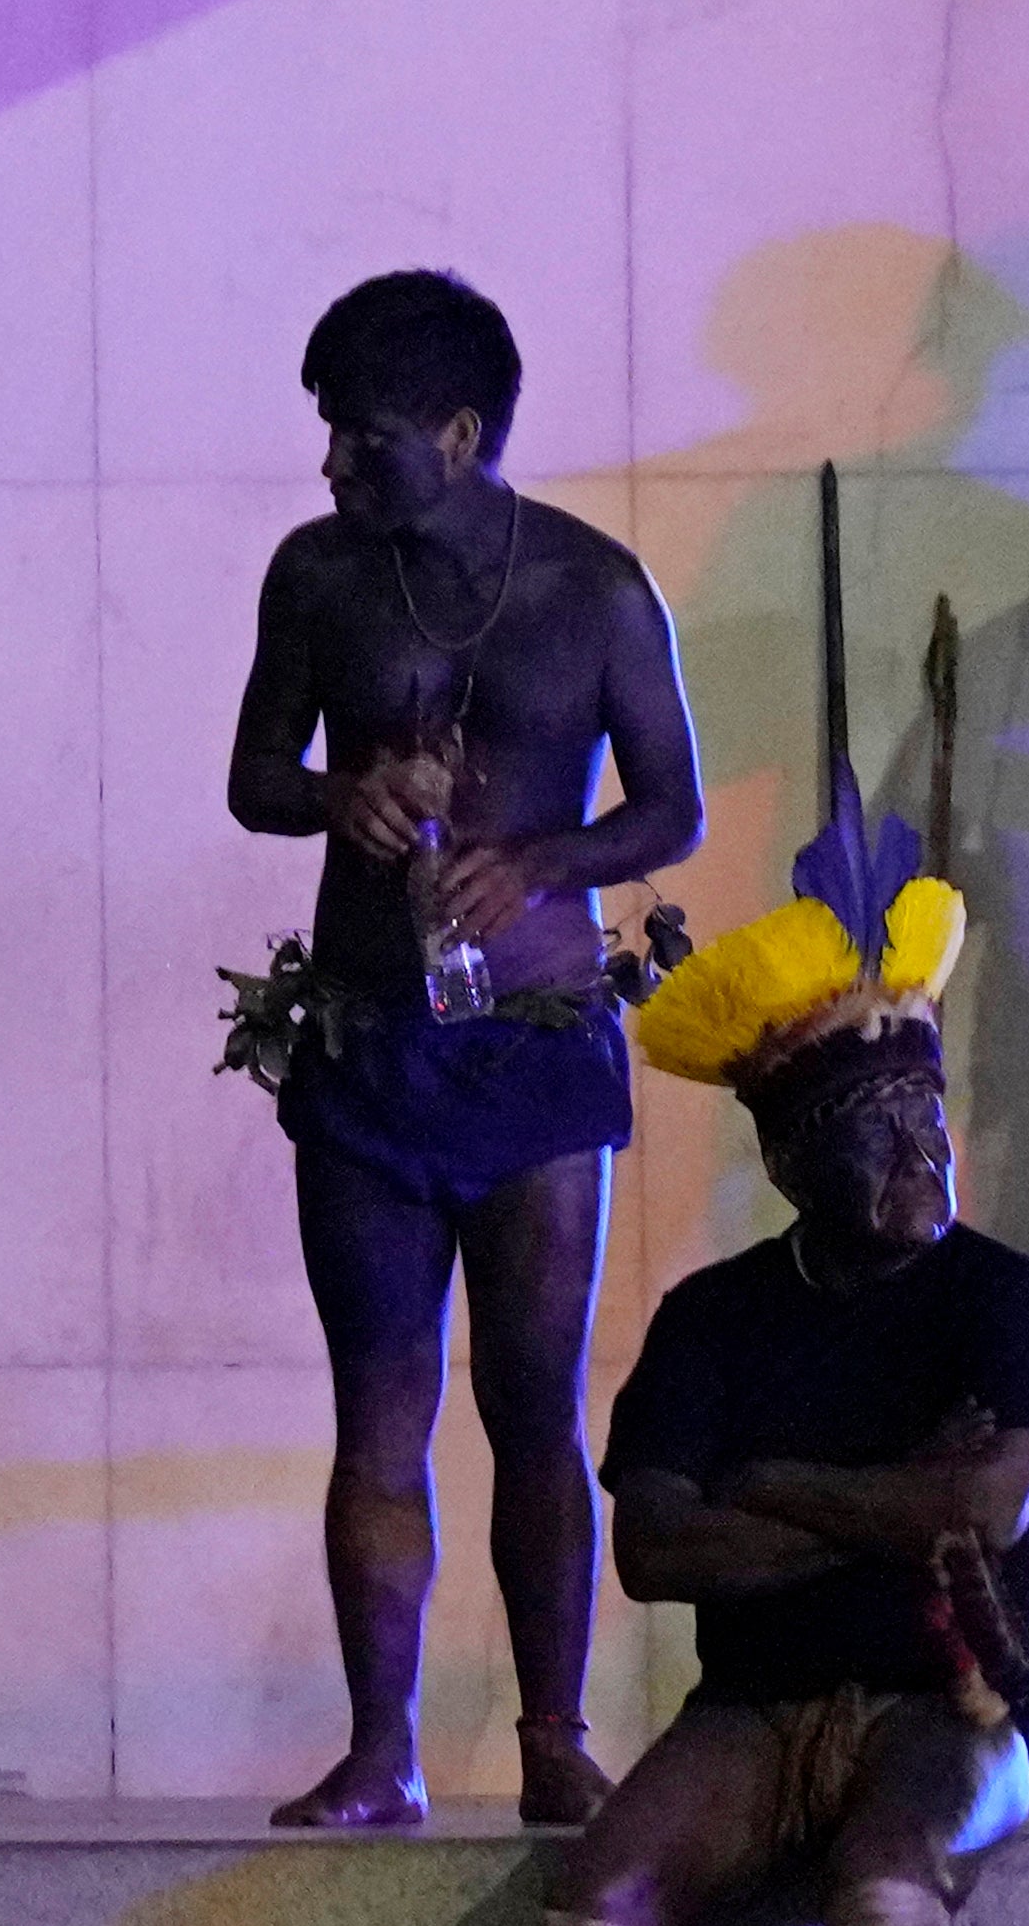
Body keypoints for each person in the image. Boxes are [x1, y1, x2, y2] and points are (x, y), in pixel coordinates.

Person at [546, 869, 1029, 1926]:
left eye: (932, 1114)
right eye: (877, 1131)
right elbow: (653, 1551)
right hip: (755, 1712)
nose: (926, 1152)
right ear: (787, 1159)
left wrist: (773, 1484)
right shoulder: (713, 1319)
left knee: (891, 1896)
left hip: (951, 1699)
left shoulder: (1004, 1298)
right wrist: (888, 1503)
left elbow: (985, 1514)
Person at [222, 271, 705, 1833]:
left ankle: (556, 1736)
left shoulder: (594, 588)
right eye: (327, 437)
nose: (334, 468)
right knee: (379, 1408)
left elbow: (673, 809)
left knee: (533, 1401)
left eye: (362, 439)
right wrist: (334, 794)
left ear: (462, 430)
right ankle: (383, 1754)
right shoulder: (315, 578)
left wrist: (546, 861)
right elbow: (251, 775)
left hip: (538, 1048)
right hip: (368, 1047)